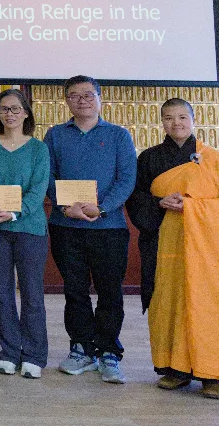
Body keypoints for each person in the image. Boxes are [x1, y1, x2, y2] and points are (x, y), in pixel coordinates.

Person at [126, 98, 219, 399]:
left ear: (193, 119)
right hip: (163, 245)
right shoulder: (149, 158)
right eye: (169, 118)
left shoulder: (213, 159)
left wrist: (192, 208)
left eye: (182, 117)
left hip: (207, 251)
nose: (176, 123)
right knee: (167, 303)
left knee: (208, 305)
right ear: (162, 122)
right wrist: (159, 203)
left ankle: (211, 373)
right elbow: (136, 197)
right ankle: (175, 369)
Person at [44, 75, 136, 384]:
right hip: (65, 226)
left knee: (110, 292)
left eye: (88, 95)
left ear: (99, 97)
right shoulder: (55, 135)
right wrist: (62, 205)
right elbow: (48, 174)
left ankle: (109, 351)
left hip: (108, 227)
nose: (82, 100)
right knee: (75, 291)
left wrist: (103, 207)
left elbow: (126, 179)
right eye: (74, 96)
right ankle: (80, 348)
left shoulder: (119, 136)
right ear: (66, 101)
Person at [0, 90, 50, 379]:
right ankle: (9, 352)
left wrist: (15, 213)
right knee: (2, 293)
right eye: (4, 109)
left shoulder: (38, 149)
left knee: (31, 293)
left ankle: (34, 355)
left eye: (16, 109)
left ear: (26, 112)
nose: (10, 114)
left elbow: (38, 190)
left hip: (29, 229)